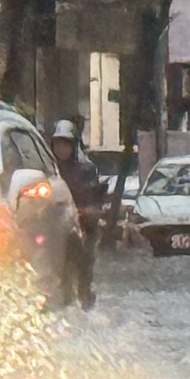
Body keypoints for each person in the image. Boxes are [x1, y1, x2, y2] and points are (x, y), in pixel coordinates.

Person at [46, 119, 108, 310]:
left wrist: (86, 211)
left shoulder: (86, 168)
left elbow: (95, 199)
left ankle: (85, 302)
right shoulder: (48, 169)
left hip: (84, 228)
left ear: (73, 145)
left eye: (66, 144)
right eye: (58, 144)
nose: (61, 148)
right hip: (56, 229)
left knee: (83, 269)